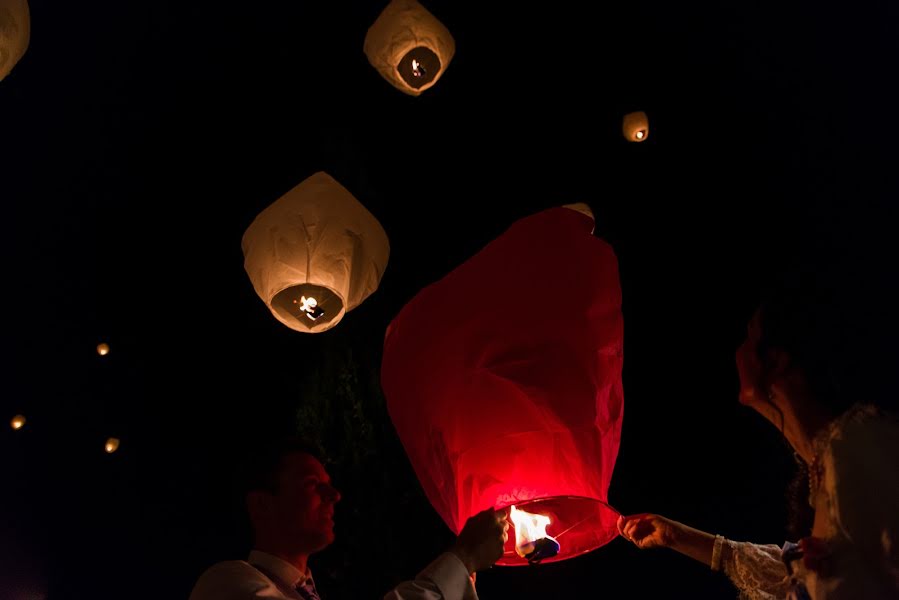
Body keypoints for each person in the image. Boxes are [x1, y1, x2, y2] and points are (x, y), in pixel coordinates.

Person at [617, 263, 899, 599]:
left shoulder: (861, 445)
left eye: (747, 337)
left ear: (777, 361)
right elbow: (794, 581)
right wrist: (676, 536)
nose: (736, 352)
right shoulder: (824, 465)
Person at [188, 438, 509, 600]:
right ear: (262, 505)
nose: (335, 495)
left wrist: (462, 575)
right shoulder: (225, 583)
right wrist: (462, 558)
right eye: (313, 485)